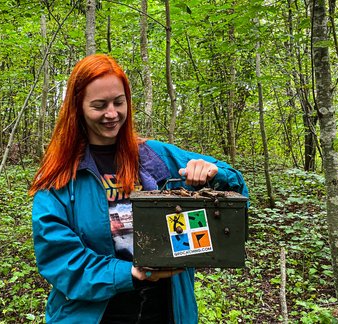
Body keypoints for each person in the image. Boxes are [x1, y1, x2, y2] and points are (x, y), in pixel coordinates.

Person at [29, 54, 248, 323]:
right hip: (93, 314)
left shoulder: (155, 157)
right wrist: (130, 274)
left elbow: (236, 188)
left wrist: (214, 175)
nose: (112, 114)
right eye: (99, 105)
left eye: (118, 102)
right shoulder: (61, 176)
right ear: (78, 108)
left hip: (166, 308)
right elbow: (59, 258)